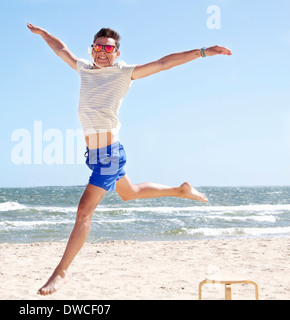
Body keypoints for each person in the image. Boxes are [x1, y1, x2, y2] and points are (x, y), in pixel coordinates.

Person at [27, 23, 232, 296]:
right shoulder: (84, 69)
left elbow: (163, 63)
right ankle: (180, 190)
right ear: (92, 50)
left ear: (116, 52)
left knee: (84, 212)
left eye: (108, 48)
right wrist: (43, 34)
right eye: (98, 47)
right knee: (130, 193)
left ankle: (61, 272)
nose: (102, 52)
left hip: (109, 154)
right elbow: (60, 48)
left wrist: (204, 51)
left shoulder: (123, 73)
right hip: (96, 155)